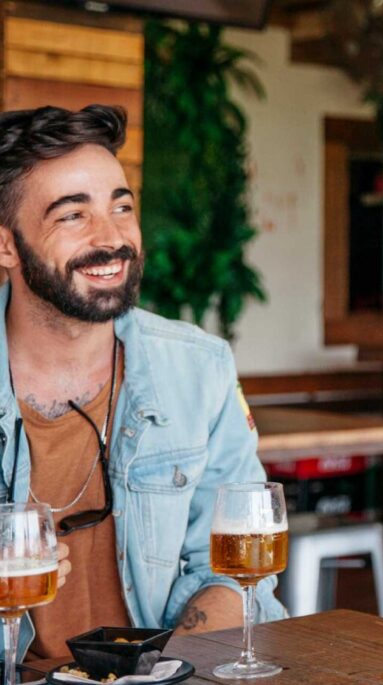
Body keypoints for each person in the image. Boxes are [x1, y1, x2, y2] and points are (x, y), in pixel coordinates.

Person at [0, 104, 286, 662]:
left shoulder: (199, 368)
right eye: (72, 216)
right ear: (6, 245)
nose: (112, 238)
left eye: (122, 206)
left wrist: (159, 676)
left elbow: (229, 574)